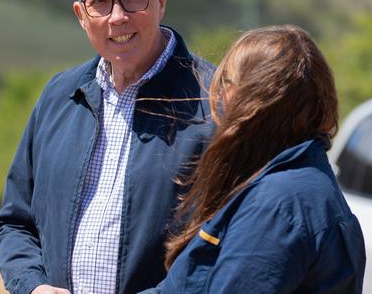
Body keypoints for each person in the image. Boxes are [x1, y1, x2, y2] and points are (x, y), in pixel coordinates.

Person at [0, 0, 215, 294]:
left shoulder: (215, 102)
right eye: (100, 2)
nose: (117, 16)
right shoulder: (58, 97)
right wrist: (32, 286)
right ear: (82, 16)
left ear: (161, 1)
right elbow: (15, 223)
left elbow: (234, 243)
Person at [155, 25, 366, 293]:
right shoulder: (291, 185)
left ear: (251, 104)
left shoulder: (278, 204)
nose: (218, 98)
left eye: (228, 83)